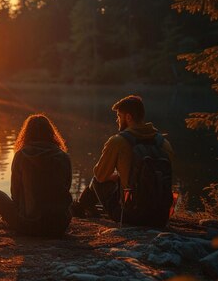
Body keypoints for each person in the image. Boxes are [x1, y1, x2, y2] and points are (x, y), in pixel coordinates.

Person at [71, 95, 174, 226]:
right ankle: (82, 207)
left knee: (97, 180)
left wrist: (114, 176)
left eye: (119, 116)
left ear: (128, 117)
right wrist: (119, 177)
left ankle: (80, 208)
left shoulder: (118, 141)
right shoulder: (164, 143)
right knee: (114, 178)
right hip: (161, 217)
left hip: (130, 217)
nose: (117, 120)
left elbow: (100, 176)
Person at [0, 114, 72, 237]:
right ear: (51, 133)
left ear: (26, 134)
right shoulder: (63, 156)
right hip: (60, 225)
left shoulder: (21, 155)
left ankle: (11, 222)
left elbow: (15, 194)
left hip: (30, 226)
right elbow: (66, 187)